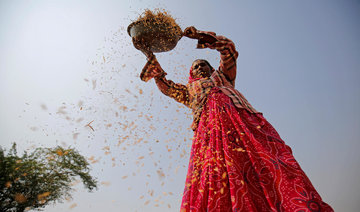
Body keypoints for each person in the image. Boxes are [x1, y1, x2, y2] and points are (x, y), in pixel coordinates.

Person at [140, 26, 333, 212]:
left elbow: (229, 50)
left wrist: (200, 35)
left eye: (203, 65)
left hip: (245, 125)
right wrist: (148, 54)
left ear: (211, 68)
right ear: (192, 74)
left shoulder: (223, 76)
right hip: (209, 135)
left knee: (267, 162)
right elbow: (165, 86)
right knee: (216, 174)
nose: (200, 68)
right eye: (196, 67)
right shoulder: (189, 91)